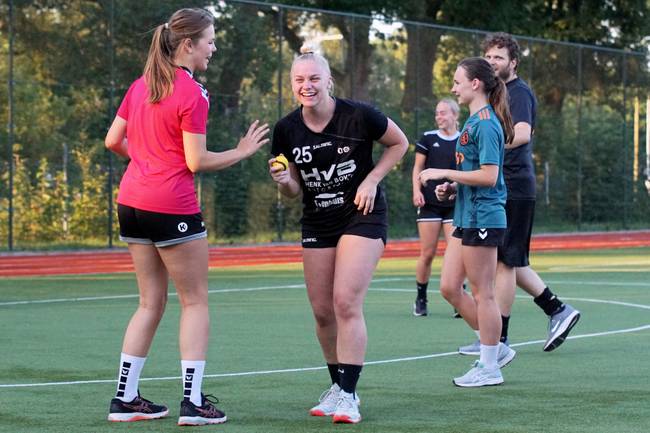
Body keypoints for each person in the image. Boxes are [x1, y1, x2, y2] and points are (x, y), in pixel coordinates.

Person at [104, 8, 269, 425]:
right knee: (194, 302)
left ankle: (125, 399)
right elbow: (196, 161)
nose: (213, 48)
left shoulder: (140, 86)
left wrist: (146, 163)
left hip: (132, 203)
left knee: (149, 303)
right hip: (170, 205)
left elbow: (113, 141)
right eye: (210, 40)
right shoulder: (192, 93)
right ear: (187, 44)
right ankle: (193, 403)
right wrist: (242, 151)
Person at [269, 45, 408, 423]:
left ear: (329, 80)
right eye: (299, 80)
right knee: (322, 311)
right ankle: (336, 386)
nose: (307, 86)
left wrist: (372, 180)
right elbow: (294, 190)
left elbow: (400, 143)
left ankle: (349, 394)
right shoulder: (286, 129)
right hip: (318, 221)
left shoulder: (359, 115)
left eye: (314, 78)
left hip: (362, 216)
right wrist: (283, 181)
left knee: (345, 301)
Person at [457, 32, 580, 356]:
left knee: (505, 262)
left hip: (514, 183)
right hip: (503, 184)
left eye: (499, 57)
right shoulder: (495, 95)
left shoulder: (518, 92)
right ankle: (556, 309)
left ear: (513, 62)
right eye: (489, 57)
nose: (493, 62)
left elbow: (522, 134)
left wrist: (488, 149)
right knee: (507, 259)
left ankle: (500, 340)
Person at [420, 56, 516, 387]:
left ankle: (490, 364)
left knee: (482, 293)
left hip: (483, 217)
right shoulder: (473, 124)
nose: (453, 87)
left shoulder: (487, 124)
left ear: (475, 84)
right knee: (449, 287)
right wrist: (454, 186)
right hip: (465, 215)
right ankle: (496, 347)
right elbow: (474, 173)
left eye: (457, 81)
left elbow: (490, 176)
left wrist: (445, 172)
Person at [411, 99, 460, 317]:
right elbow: (418, 168)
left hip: (454, 204)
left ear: (455, 115)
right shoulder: (428, 138)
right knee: (428, 253)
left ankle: (459, 296)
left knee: (456, 253)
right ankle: (421, 298)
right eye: (437, 114)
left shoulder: (464, 139)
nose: (439, 117)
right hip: (430, 205)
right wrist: (417, 191)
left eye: (443, 113)